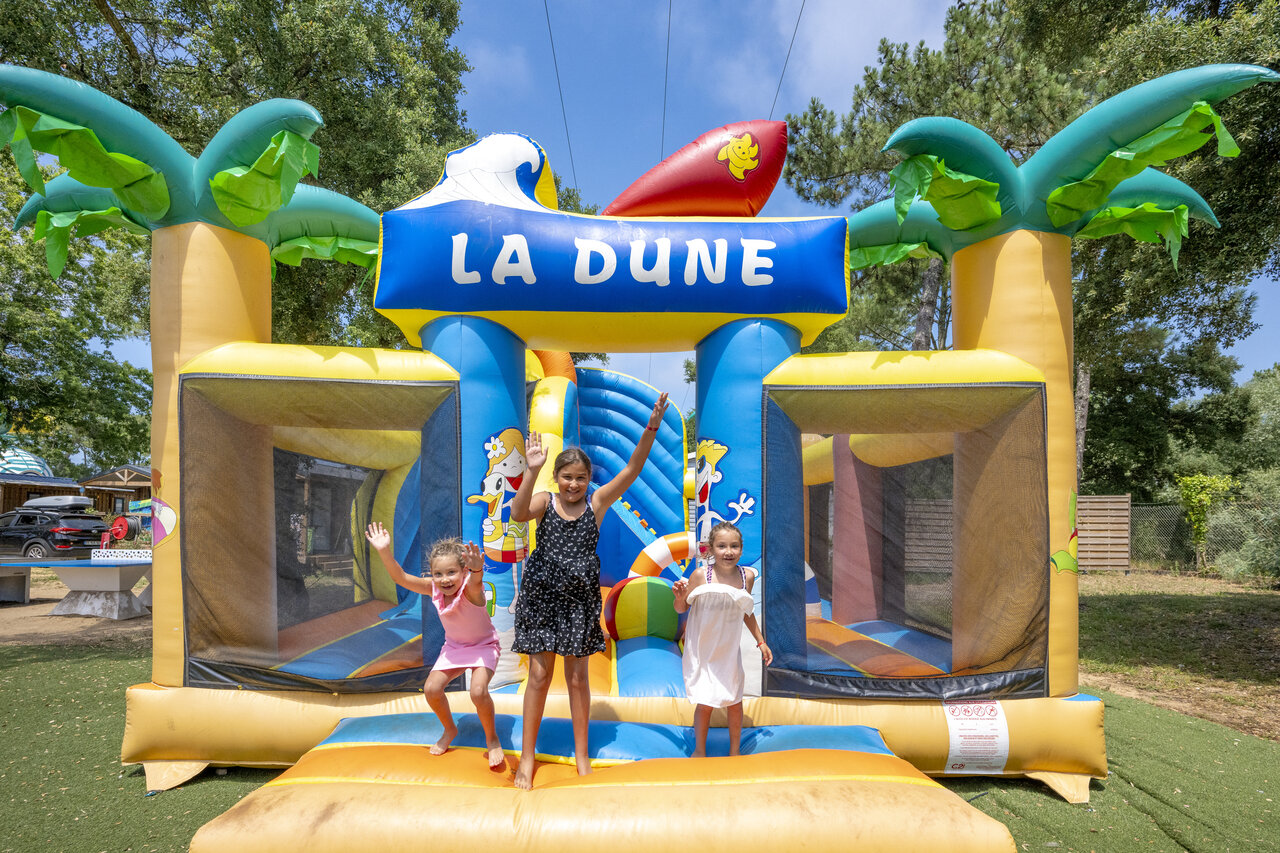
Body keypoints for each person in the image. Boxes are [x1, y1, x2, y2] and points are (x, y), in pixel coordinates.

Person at [509, 392, 670, 789]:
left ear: (588, 479)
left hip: (579, 602)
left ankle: (582, 757)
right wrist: (532, 471)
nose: (574, 484)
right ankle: (527, 759)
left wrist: (651, 426)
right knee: (539, 677)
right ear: (557, 478)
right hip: (542, 598)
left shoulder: (597, 503)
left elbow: (632, 470)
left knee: (578, 679)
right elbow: (516, 513)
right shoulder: (545, 501)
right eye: (567, 477)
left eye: (580, 477)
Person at [365, 522, 505, 769]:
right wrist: (384, 551)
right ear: (431, 574)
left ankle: (492, 738)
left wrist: (477, 569)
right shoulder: (433, 589)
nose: (444, 579)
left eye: (451, 572)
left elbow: (475, 581)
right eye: (438, 574)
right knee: (431, 689)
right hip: (454, 648)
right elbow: (400, 577)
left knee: (478, 691)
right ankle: (450, 729)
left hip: (483, 646)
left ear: (463, 572)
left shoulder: (470, 590)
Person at [672, 521, 772, 758]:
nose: (728, 552)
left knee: (734, 699)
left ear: (741, 548)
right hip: (703, 649)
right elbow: (680, 608)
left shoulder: (746, 576)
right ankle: (699, 750)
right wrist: (678, 596)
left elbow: (746, 611)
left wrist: (761, 641)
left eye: (734, 546)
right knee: (705, 702)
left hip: (728, 648)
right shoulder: (701, 575)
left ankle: (735, 751)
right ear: (711, 549)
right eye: (722, 546)